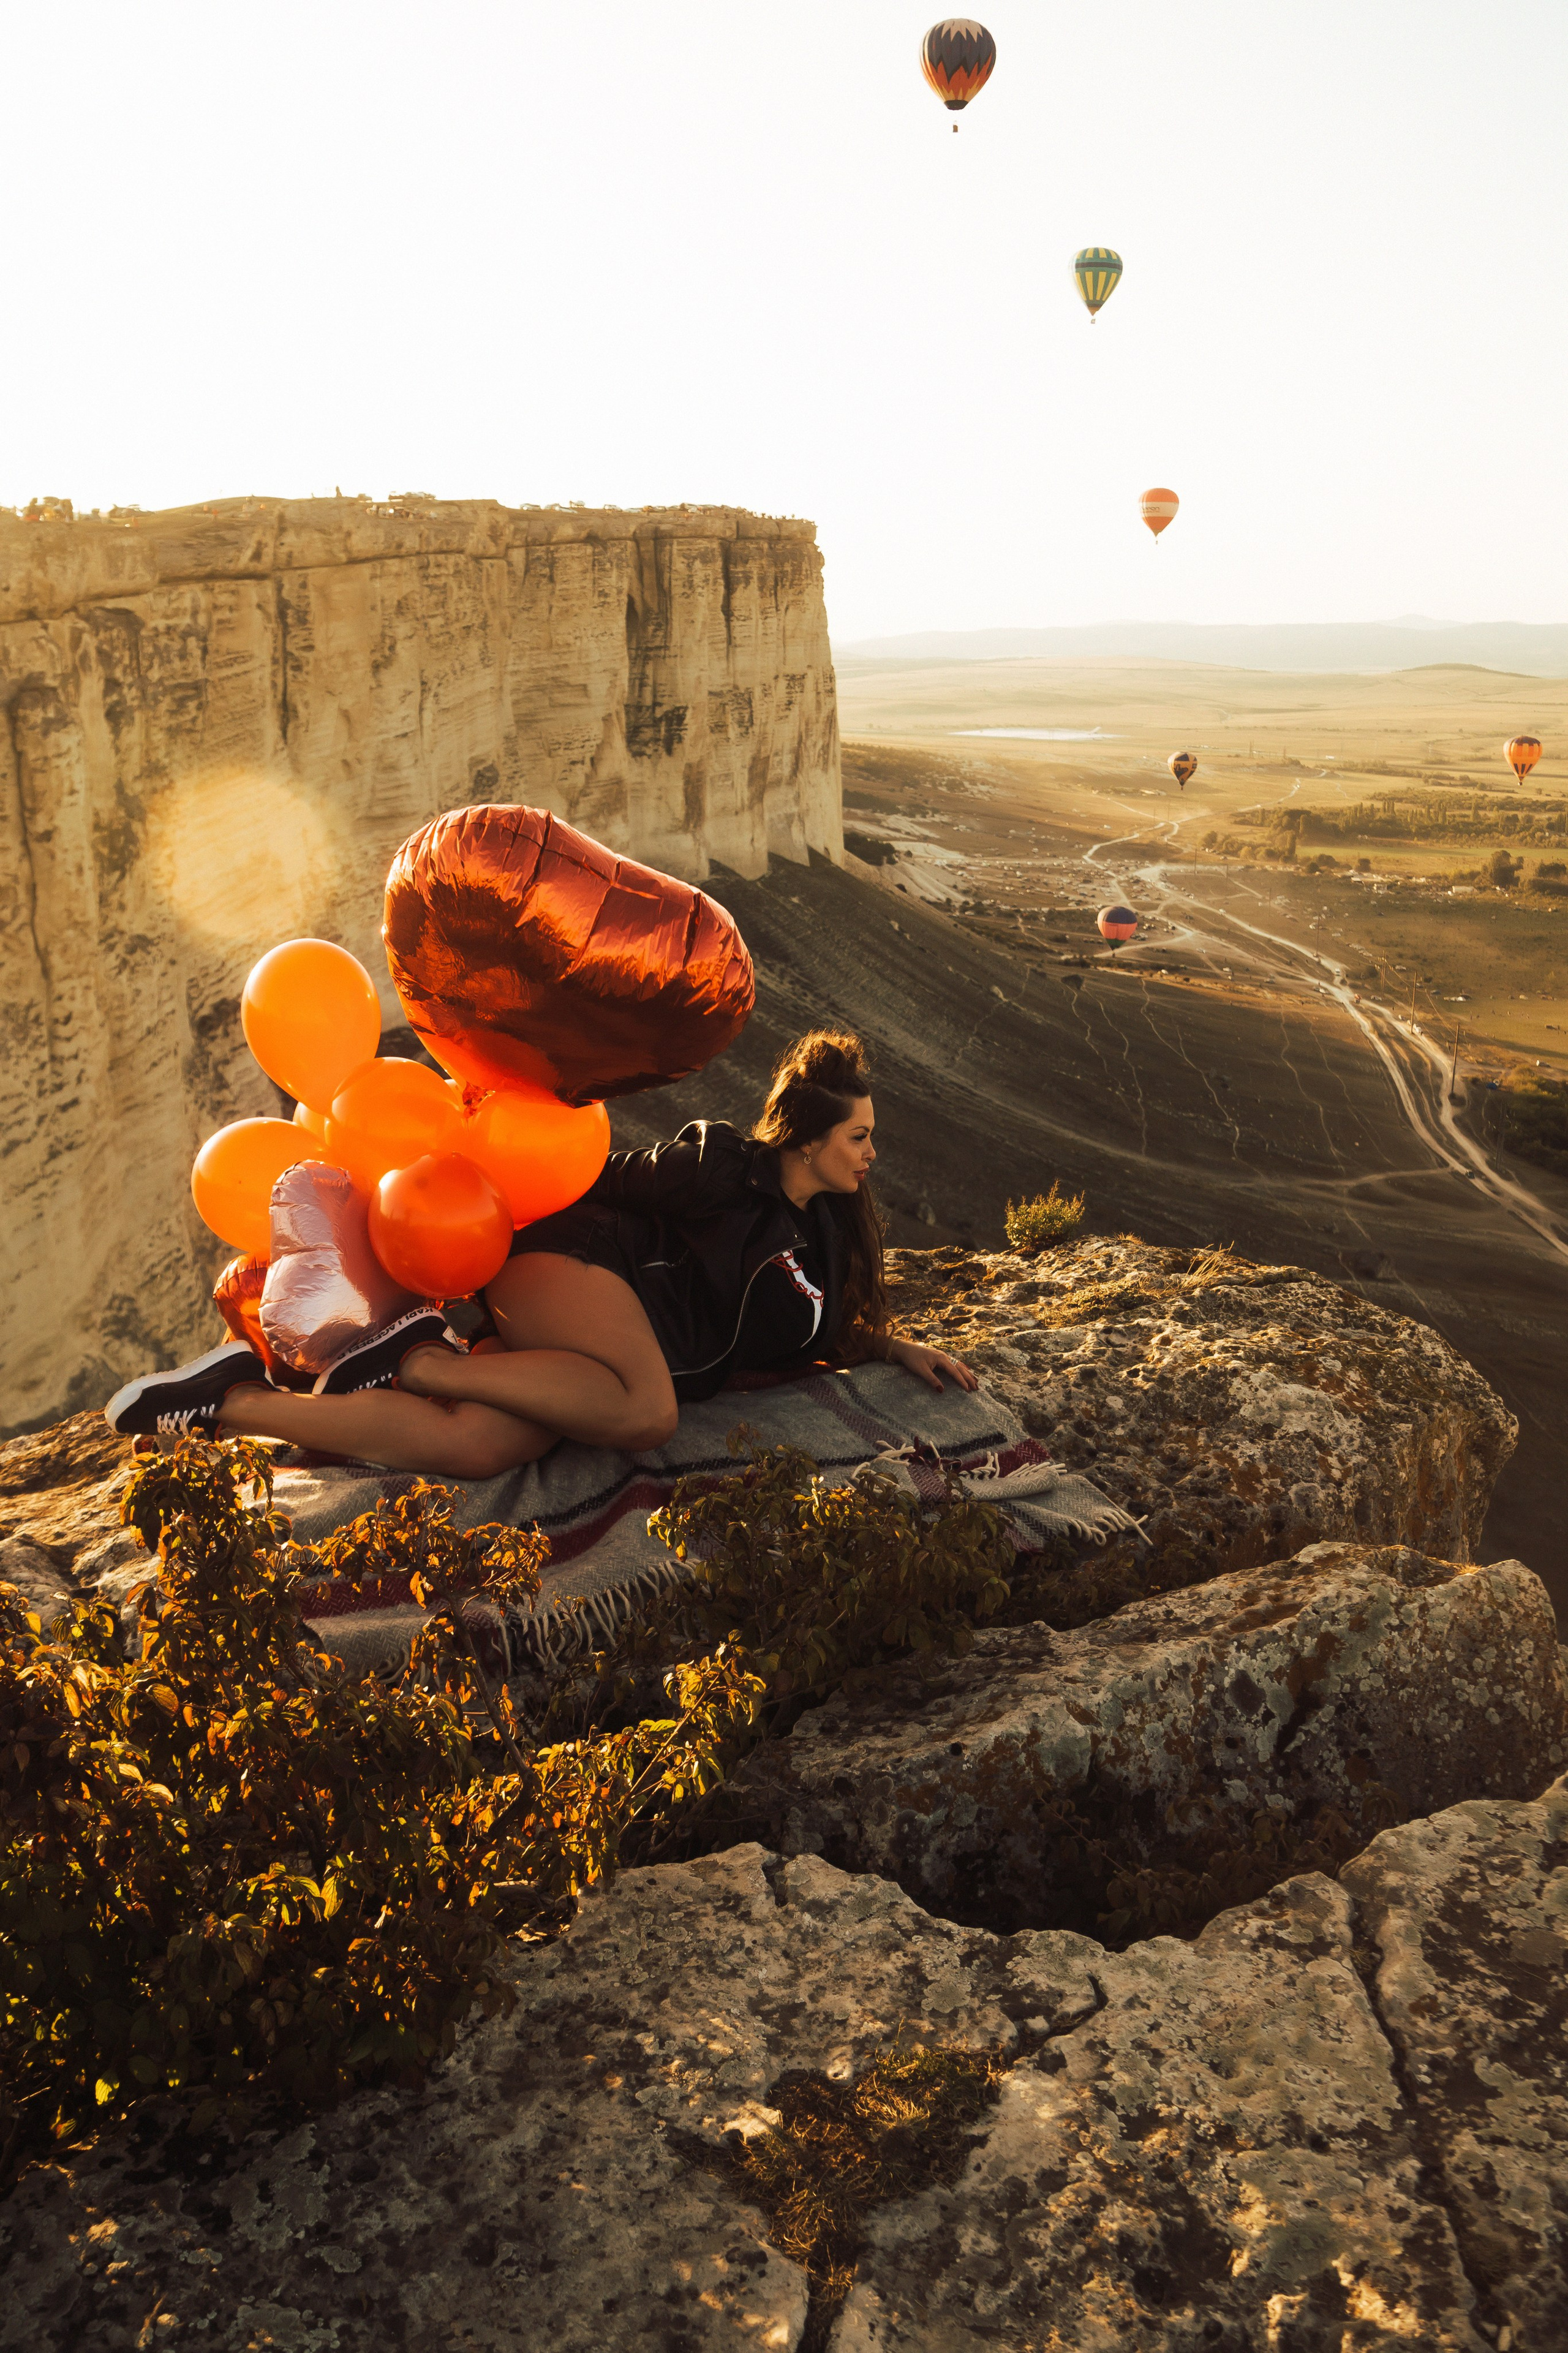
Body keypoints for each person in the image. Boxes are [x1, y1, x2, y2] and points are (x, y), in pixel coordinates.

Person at [106, 1030, 977, 1476]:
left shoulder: (828, 1226)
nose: (872, 1155)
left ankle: (233, 1405)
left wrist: (893, 1346)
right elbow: (585, 1178)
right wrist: (466, 1250)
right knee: (648, 1413)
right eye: (859, 1136)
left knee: (481, 1445)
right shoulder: (720, 1165)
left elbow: (811, 1329)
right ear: (808, 1139)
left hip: (602, 1346)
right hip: (577, 1266)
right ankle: (422, 1361)